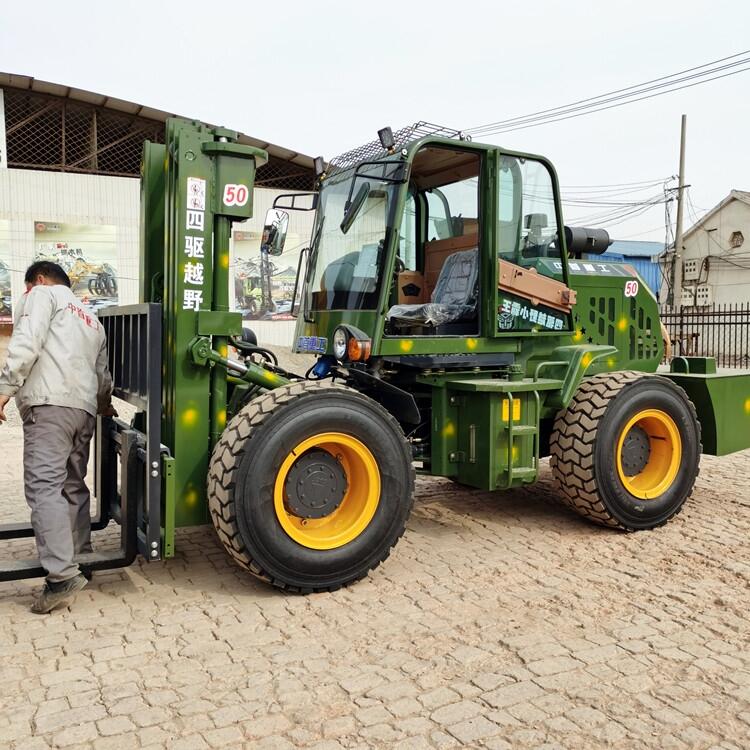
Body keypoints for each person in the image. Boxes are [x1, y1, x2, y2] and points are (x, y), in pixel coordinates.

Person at [0, 261, 115, 614]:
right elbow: (102, 374)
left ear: (37, 279)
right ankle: (79, 559)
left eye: (26, 287)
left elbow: (26, 341)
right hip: (82, 411)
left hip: (49, 407)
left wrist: (5, 387)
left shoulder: (42, 296)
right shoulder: (91, 318)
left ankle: (61, 575)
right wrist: (103, 406)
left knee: (43, 488)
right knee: (72, 484)